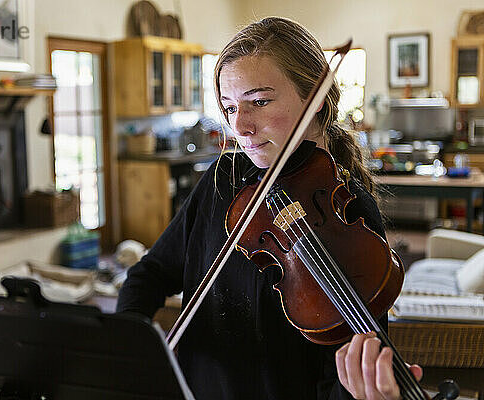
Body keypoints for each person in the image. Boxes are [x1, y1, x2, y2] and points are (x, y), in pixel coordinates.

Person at [117, 17, 421, 400]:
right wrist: (125, 347)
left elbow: (342, 371)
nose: (240, 126)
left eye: (259, 102)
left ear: (316, 100)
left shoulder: (348, 210)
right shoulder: (222, 181)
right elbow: (152, 272)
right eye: (229, 107)